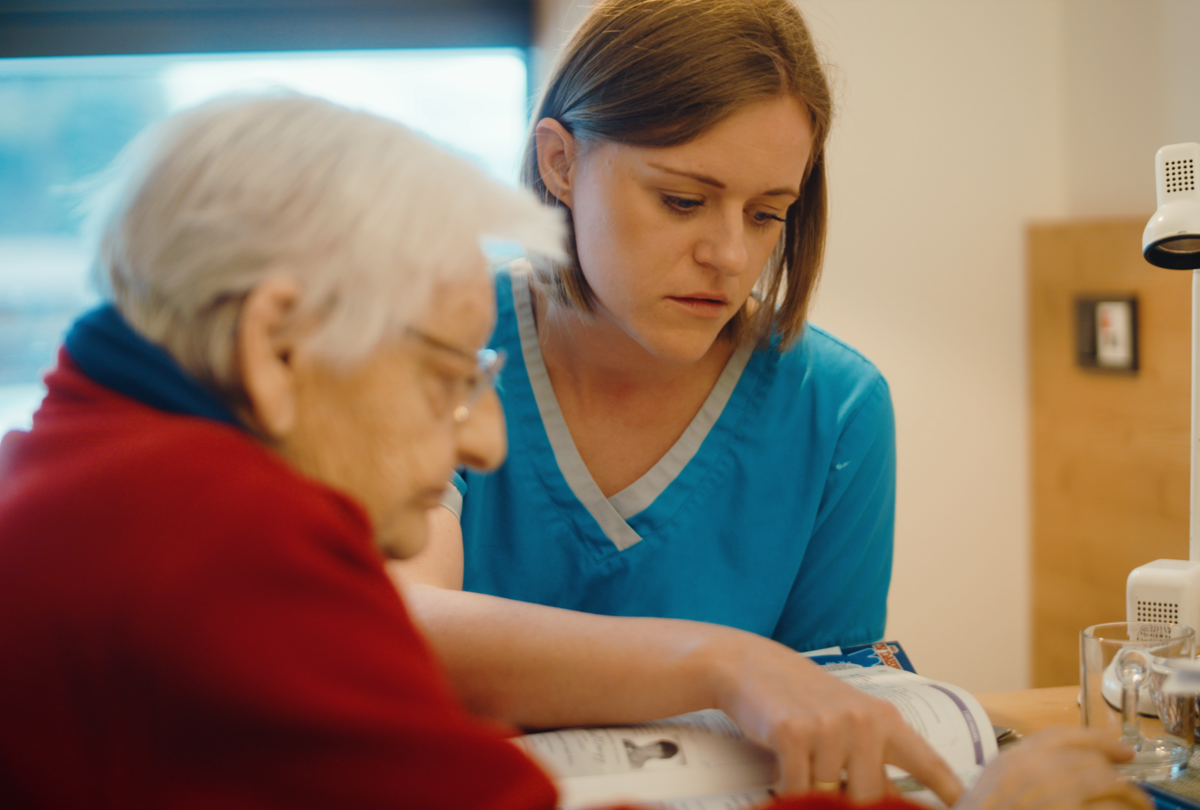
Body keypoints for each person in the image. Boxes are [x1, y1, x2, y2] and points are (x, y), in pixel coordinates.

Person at [0, 92, 1152, 810]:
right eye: (451, 376)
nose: (486, 441)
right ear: (272, 345)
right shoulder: (229, 569)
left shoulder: (77, 478)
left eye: (767, 213)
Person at [389, 0, 927, 800]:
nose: (729, 254)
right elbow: (401, 623)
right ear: (560, 163)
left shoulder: (839, 409)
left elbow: (823, 724)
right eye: (682, 201)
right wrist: (724, 664)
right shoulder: (434, 346)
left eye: (767, 213)